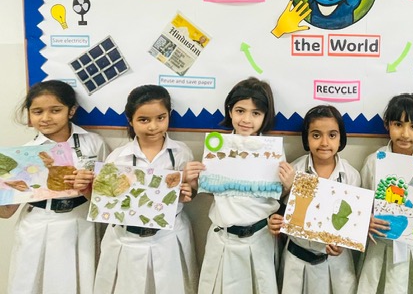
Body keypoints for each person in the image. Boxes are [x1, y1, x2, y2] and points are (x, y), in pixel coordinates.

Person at [184, 77, 294, 294]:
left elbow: (276, 195)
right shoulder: (217, 148)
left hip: (259, 239)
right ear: (230, 111)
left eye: (256, 113)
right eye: (240, 111)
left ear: (265, 116)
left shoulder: (273, 152)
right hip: (222, 237)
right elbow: (214, 191)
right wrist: (194, 181)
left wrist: (288, 186)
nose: (246, 119)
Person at [0, 80, 108, 294]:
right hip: (37, 223)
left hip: (79, 222)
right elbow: (6, 212)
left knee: (76, 282)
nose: (46, 118)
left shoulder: (94, 143)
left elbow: (107, 197)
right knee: (31, 282)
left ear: (71, 110)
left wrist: (88, 186)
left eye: (55, 110)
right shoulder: (24, 153)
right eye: (37, 111)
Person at [89, 85, 198, 294]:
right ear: (130, 120)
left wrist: (188, 191)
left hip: (168, 237)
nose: (153, 127)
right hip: (125, 238)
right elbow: (105, 202)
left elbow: (189, 194)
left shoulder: (181, 153)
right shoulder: (118, 157)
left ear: (169, 116)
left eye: (161, 118)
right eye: (143, 120)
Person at [357, 93, 413, 294]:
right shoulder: (374, 162)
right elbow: (363, 208)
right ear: (387, 125)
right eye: (398, 124)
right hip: (382, 246)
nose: (405, 134)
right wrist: (367, 220)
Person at [268, 105, 361, 294]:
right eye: (316, 135)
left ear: (341, 138)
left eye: (332, 135)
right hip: (296, 259)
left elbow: (353, 222)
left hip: (336, 263)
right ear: (306, 138)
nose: (324, 142)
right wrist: (274, 221)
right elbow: (277, 208)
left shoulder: (351, 176)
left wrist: (342, 244)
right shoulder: (293, 170)